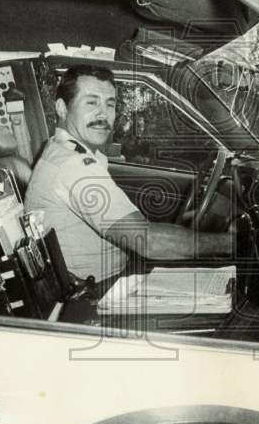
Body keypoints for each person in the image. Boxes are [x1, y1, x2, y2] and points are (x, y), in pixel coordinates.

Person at [25, 64, 235, 283]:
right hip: (96, 291)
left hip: (111, 277)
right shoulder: (75, 167)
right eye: (91, 102)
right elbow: (147, 241)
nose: (103, 114)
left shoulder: (59, 148)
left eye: (110, 104)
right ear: (61, 108)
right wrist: (231, 243)